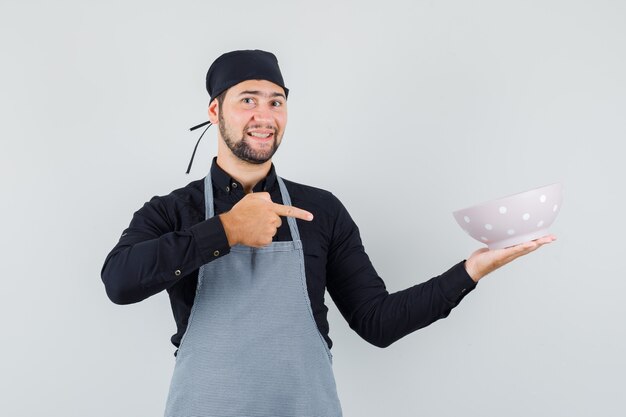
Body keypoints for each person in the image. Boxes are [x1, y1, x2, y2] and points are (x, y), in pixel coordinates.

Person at [100, 49, 556, 417]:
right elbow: (118, 282)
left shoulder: (319, 210)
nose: (265, 115)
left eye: (276, 101)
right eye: (248, 100)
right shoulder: (172, 212)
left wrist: (471, 271)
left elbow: (378, 322)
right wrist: (226, 230)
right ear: (215, 110)